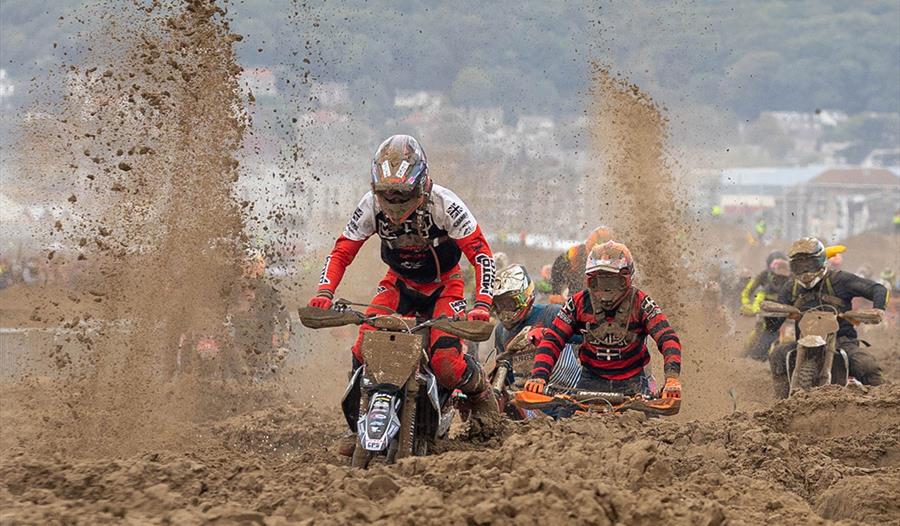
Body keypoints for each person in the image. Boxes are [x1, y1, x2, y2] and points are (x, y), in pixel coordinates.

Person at [306, 135, 499, 454]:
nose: (395, 208)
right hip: (398, 283)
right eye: (387, 197)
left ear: (422, 187)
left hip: (444, 285)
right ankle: (359, 427)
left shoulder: (446, 203)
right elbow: (342, 250)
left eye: (403, 197)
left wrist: (482, 303)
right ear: (376, 190)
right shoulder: (369, 205)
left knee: (446, 364)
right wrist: (325, 292)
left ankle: (479, 392)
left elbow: (481, 253)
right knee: (363, 346)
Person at [523, 241, 682, 400]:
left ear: (627, 278)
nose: (605, 290)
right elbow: (553, 338)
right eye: (598, 282)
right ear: (589, 281)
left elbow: (667, 337)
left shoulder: (641, 302)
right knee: (565, 421)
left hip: (633, 384)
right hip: (590, 380)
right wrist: (539, 376)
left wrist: (672, 378)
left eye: (612, 281)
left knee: (649, 423)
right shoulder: (578, 302)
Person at [768, 237, 888, 398]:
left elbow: (878, 289)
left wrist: (878, 310)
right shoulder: (791, 287)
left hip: (842, 340)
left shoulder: (839, 280)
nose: (805, 272)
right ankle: (780, 403)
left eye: (809, 265)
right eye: (799, 266)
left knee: (866, 365)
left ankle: (885, 403)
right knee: (777, 354)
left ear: (821, 260)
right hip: (804, 341)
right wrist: (772, 316)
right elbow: (772, 326)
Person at [489, 264, 581, 417]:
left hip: (569, 395)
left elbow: (583, 338)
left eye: (508, 304)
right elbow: (506, 372)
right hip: (531, 403)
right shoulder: (501, 331)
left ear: (525, 295)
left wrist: (548, 334)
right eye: (499, 305)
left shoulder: (552, 313)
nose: (504, 311)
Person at [740, 250, 790, 360]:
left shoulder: (792, 282)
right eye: (777, 275)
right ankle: (743, 355)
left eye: (784, 277)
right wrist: (750, 306)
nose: (780, 279)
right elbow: (749, 292)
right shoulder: (763, 277)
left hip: (786, 315)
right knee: (758, 332)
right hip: (766, 313)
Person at [548, 226, 616, 304]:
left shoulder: (613, 261)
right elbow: (559, 265)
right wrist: (556, 291)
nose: (588, 251)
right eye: (589, 241)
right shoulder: (577, 252)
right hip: (576, 295)